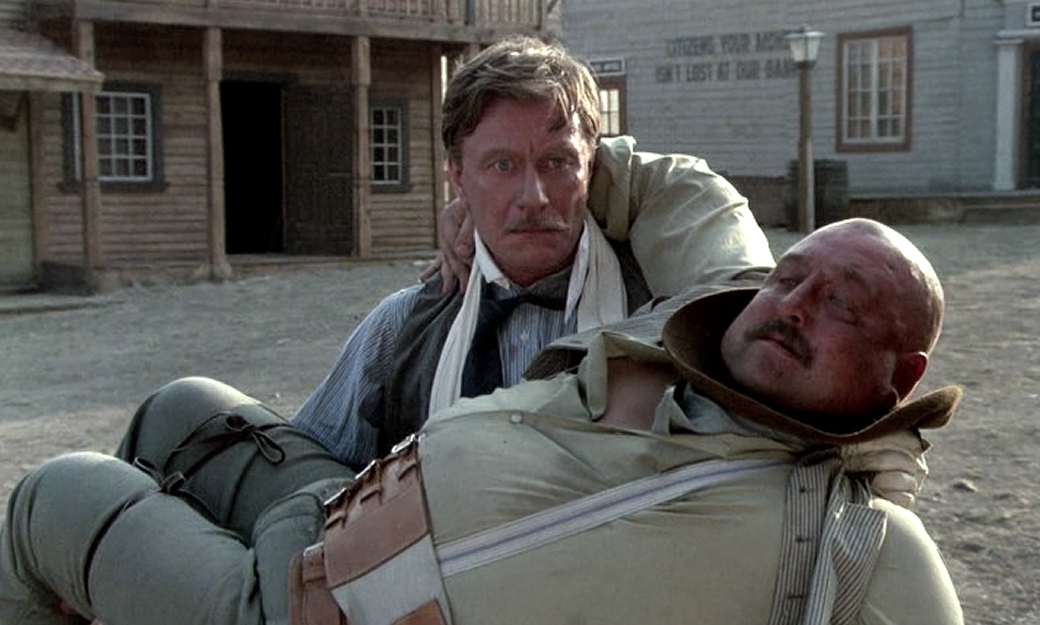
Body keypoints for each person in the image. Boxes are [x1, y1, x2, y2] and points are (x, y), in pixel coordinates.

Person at [0, 218, 962, 625]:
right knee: (183, 409)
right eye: (789, 276)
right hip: (344, 513)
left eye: (844, 305)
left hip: (330, 610)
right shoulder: (691, 355)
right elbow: (677, 191)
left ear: (903, 373)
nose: (793, 306)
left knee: (56, 496)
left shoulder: (865, 541)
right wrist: (497, 195)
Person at [290, 34, 775, 469]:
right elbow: (304, 463)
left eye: (557, 163)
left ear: (592, 167)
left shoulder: (664, 313)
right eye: (501, 166)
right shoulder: (403, 330)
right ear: (457, 175)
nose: (533, 197)